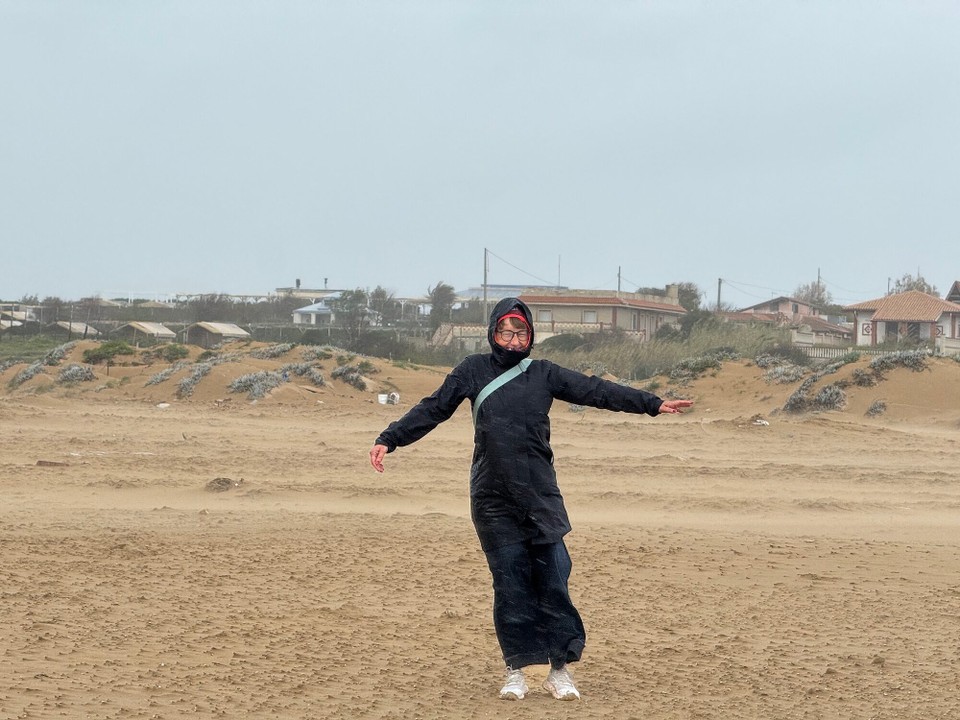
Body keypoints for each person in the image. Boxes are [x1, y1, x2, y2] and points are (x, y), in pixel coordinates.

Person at [369, 297, 692, 701]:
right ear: (492, 333)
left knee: (554, 578)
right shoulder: (472, 370)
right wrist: (390, 439)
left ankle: (559, 670)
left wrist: (652, 404)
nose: (513, 339)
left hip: (541, 496)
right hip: (493, 497)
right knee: (510, 583)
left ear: (531, 335)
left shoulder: (544, 373)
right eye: (505, 331)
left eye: (520, 332)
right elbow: (433, 408)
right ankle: (516, 670)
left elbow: (597, 390)